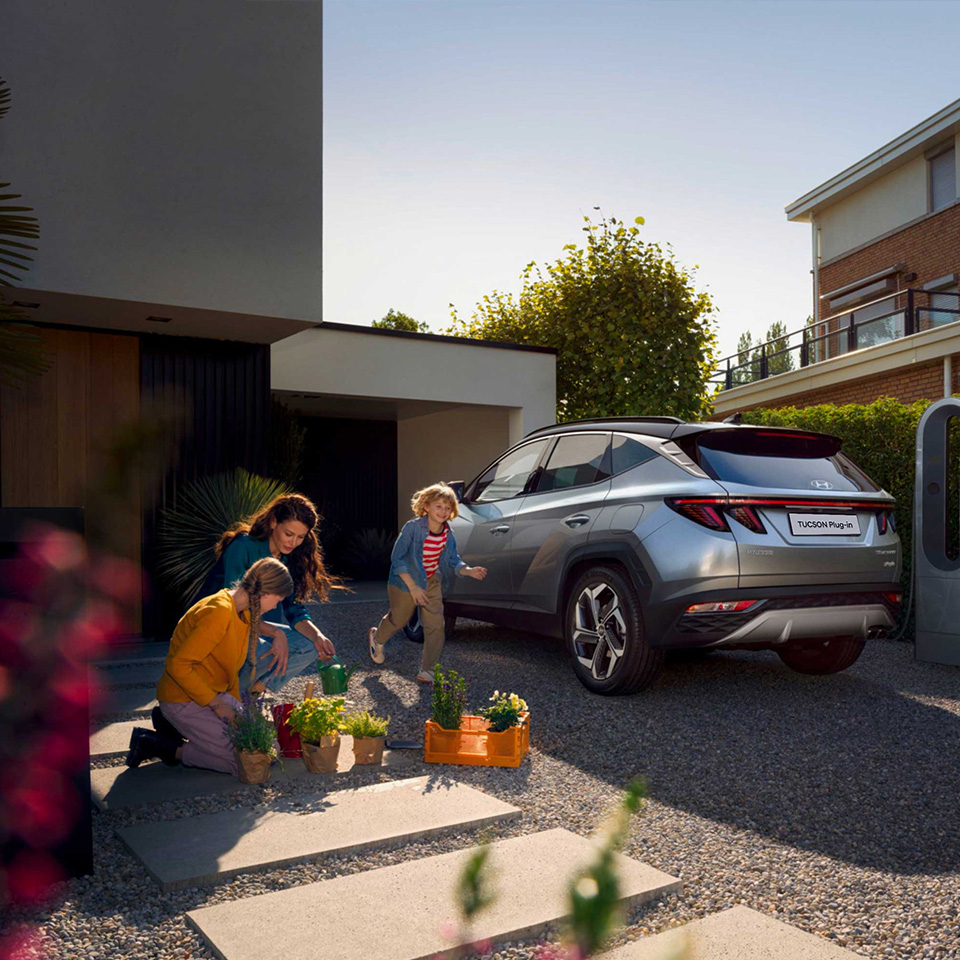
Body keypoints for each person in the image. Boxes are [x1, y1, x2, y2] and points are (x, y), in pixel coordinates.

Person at [127, 557, 294, 777]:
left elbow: (231, 672)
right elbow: (178, 666)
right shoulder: (218, 611)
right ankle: (162, 746)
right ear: (265, 593)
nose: (276, 605)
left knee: (268, 751)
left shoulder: (243, 612)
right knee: (245, 763)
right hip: (183, 700)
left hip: (213, 696)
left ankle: (180, 732)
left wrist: (235, 709)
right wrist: (218, 706)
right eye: (278, 599)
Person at [203, 493, 340, 697]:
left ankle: (253, 693)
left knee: (309, 645)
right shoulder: (242, 547)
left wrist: (318, 636)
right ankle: (227, 696)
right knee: (260, 651)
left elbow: (293, 609)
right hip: (224, 627)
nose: (293, 542)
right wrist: (277, 634)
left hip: (256, 629)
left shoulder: (292, 556)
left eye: (300, 537)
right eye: (288, 534)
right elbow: (233, 609)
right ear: (274, 522)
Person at [368, 482, 487, 683]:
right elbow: (398, 559)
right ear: (426, 506)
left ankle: (428, 670)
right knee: (400, 619)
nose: (443, 511)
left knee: (435, 626)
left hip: (431, 580)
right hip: (404, 580)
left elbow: (452, 559)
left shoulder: (448, 534)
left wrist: (468, 570)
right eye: (438, 506)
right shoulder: (413, 528)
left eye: (447, 508)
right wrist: (413, 587)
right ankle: (377, 638)